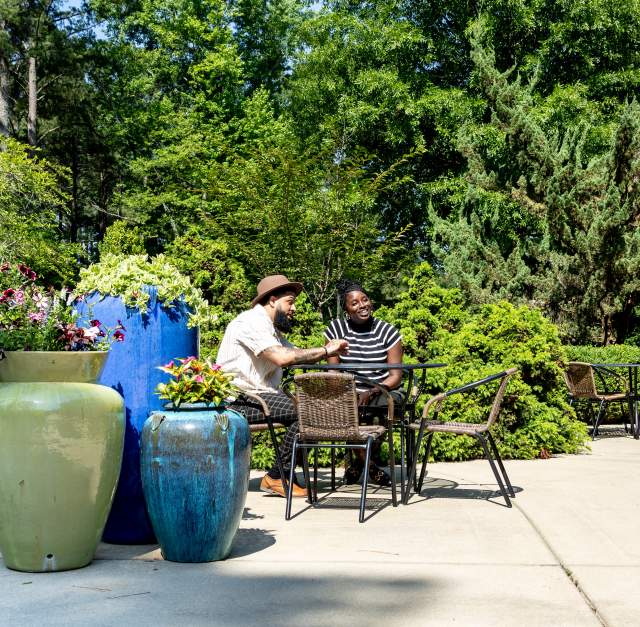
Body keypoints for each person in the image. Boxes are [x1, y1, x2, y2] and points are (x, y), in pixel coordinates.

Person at [217, 274, 349, 498]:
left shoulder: (270, 328)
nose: (294, 308)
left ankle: (282, 474)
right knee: (307, 412)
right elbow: (283, 357)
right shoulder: (250, 323)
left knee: (312, 408)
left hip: (258, 396)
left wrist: (331, 349)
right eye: (290, 301)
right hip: (238, 400)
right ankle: (278, 476)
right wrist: (326, 351)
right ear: (272, 300)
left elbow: (297, 353)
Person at [324, 280, 403, 485]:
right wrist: (350, 393)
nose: (362, 305)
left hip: (384, 388)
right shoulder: (335, 329)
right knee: (349, 407)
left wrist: (372, 391)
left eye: (365, 299)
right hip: (347, 390)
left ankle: (358, 464)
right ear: (346, 309)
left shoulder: (388, 332)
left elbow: (395, 376)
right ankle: (370, 467)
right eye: (355, 303)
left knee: (387, 405)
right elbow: (333, 373)